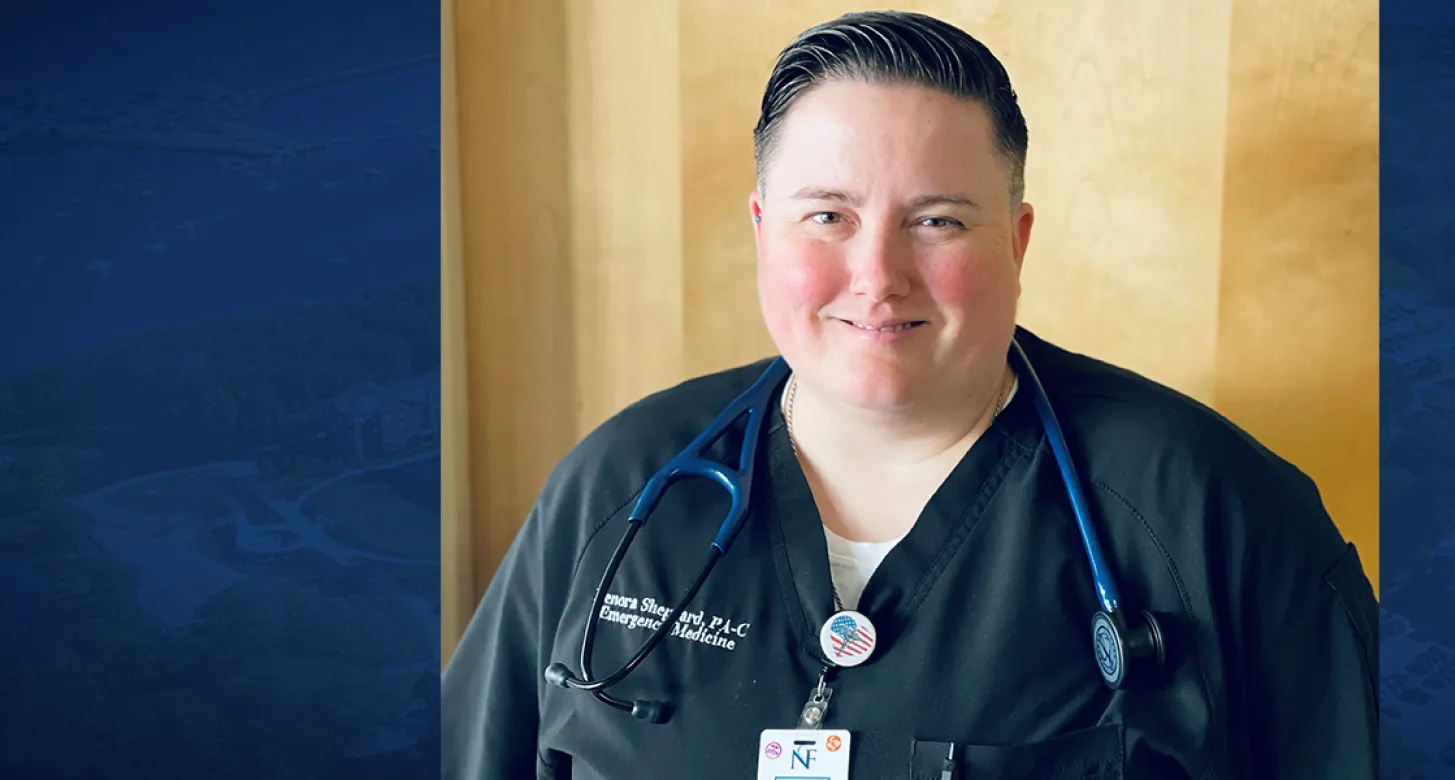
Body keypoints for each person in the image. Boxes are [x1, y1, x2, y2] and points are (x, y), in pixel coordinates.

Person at [442, 10, 1378, 779]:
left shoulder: (1215, 513)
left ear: (1014, 242)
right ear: (765, 232)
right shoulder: (618, 488)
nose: (877, 274)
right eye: (828, 217)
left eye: (936, 220)